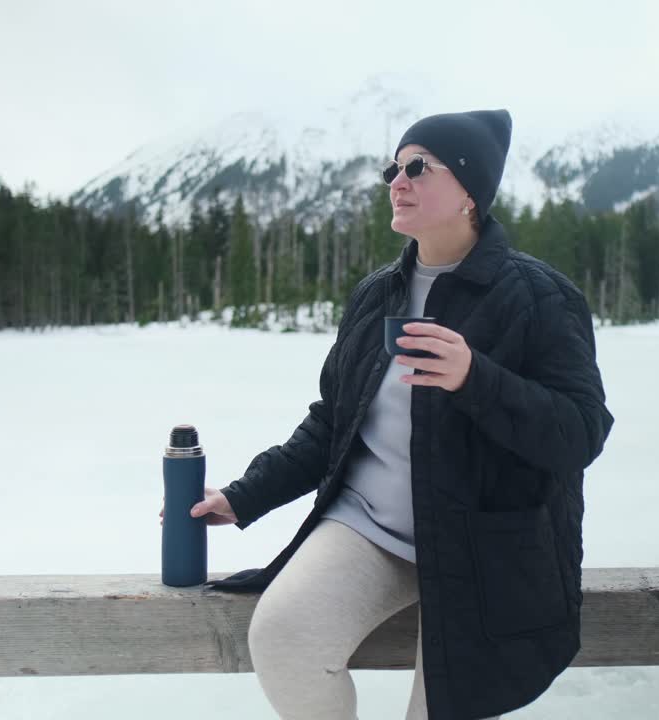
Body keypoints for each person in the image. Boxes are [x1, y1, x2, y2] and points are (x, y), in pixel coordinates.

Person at [164, 109, 614, 719]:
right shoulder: (379, 293)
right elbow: (334, 422)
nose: (396, 181)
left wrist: (475, 378)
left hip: (484, 545)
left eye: (418, 167)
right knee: (284, 637)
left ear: (470, 193)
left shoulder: (540, 297)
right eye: (392, 169)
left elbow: (580, 431)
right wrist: (244, 497)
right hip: (370, 530)